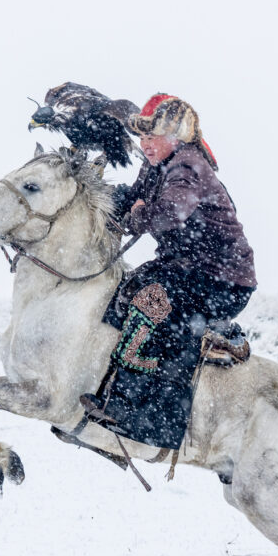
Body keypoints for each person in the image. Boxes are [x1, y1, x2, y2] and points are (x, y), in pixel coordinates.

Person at [80, 94, 257, 450]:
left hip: (222, 280)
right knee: (128, 293)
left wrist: (138, 216)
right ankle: (117, 391)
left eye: (153, 138)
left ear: (175, 138)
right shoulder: (157, 164)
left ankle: (152, 420)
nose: (145, 145)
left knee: (154, 304)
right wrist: (93, 194)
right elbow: (134, 197)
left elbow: (172, 211)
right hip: (189, 270)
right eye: (142, 139)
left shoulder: (188, 165)